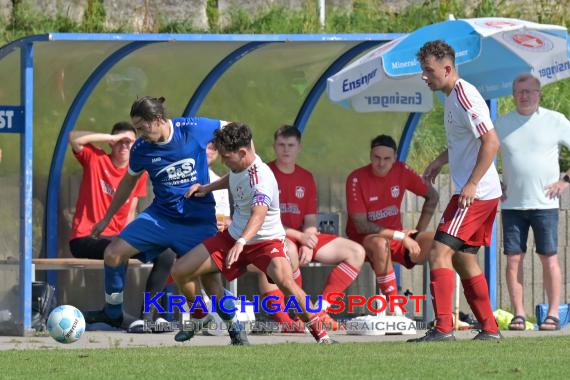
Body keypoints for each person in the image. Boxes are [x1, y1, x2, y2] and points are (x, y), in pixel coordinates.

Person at [172, 122, 336, 345]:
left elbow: (258, 214)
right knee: (181, 271)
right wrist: (206, 188)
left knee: (287, 283)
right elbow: (232, 178)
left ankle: (322, 336)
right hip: (233, 238)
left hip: (266, 242)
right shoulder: (239, 166)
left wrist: (242, 241)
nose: (223, 161)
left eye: (226, 157)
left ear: (242, 152)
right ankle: (201, 316)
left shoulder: (261, 179)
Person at [84, 96, 234, 331]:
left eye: (142, 127)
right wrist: (106, 218)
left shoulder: (192, 128)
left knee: (211, 281)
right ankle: (113, 312)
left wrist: (248, 160)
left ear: (156, 119)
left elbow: (234, 129)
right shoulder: (142, 149)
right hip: (161, 217)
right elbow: (127, 183)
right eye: (136, 129)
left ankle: (234, 328)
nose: (140, 134)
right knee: (113, 253)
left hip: (198, 220)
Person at [409, 40, 502, 342]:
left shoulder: (464, 96)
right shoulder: (451, 97)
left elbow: (491, 142)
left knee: (439, 252)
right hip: (477, 192)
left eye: (429, 71)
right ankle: (489, 329)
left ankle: (443, 328)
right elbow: (466, 142)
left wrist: (472, 184)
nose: (425, 76)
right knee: (463, 259)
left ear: (447, 69)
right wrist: (439, 160)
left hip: (475, 193)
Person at [257, 125, 365, 331]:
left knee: (356, 251)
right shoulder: (265, 174)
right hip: (273, 236)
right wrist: (301, 238)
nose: (286, 150)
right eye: (281, 145)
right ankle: (296, 316)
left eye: (291, 145)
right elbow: (262, 220)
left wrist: (308, 241)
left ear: (299, 148)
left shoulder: (306, 177)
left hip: (299, 236)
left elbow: (310, 221)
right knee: (285, 250)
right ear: (274, 147)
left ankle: (319, 310)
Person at [68, 123, 176, 330]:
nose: (124, 145)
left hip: (117, 237)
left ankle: (148, 316)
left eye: (130, 142)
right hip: (86, 238)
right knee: (119, 251)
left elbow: (130, 213)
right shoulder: (96, 159)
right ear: (111, 143)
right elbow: (73, 137)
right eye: (120, 141)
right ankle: (115, 314)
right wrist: (109, 135)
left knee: (167, 254)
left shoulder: (137, 173)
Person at [495, 73, 570, 331]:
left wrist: (566, 181)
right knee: (513, 260)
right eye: (520, 91)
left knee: (549, 259)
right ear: (513, 94)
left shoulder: (555, 121)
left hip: (545, 204)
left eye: (530, 91)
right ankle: (519, 314)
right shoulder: (501, 124)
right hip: (512, 205)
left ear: (539, 94)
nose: (525, 95)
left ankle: (552, 314)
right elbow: (480, 152)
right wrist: (494, 181)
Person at [345, 134, 438, 304]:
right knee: (381, 244)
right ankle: (394, 307)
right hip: (364, 240)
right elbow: (361, 225)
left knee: (440, 242)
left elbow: (433, 196)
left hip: (398, 238)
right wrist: (401, 236)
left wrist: (419, 231)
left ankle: (443, 313)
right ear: (370, 156)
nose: (381, 163)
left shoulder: (402, 171)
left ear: (395, 158)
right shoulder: (356, 178)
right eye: (377, 158)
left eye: (387, 158)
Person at [206, 142, 231, 231]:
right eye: (207, 147)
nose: (209, 152)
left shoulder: (220, 183)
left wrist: (225, 222)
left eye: (213, 148)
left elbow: (224, 217)